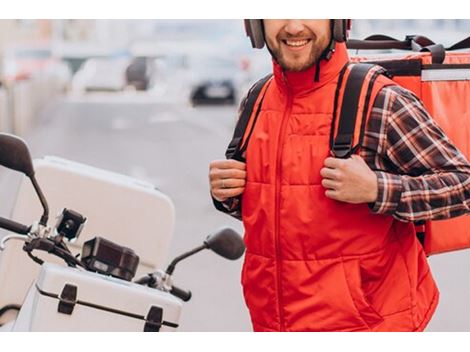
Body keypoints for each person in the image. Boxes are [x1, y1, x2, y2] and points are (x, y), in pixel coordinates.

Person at [209, 19, 470, 332]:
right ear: (255, 25)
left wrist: (377, 188)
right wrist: (229, 194)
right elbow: (282, 211)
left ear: (338, 22)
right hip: (272, 323)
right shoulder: (257, 99)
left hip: (369, 325)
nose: (293, 27)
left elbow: (463, 184)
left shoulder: (380, 100)